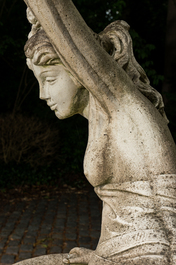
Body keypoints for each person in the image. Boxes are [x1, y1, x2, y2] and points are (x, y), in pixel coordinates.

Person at [24, 4, 176, 265]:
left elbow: (59, 18)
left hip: (150, 256)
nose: (42, 94)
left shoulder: (123, 106)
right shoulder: (101, 115)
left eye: (49, 80)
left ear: (78, 69)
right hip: (112, 254)